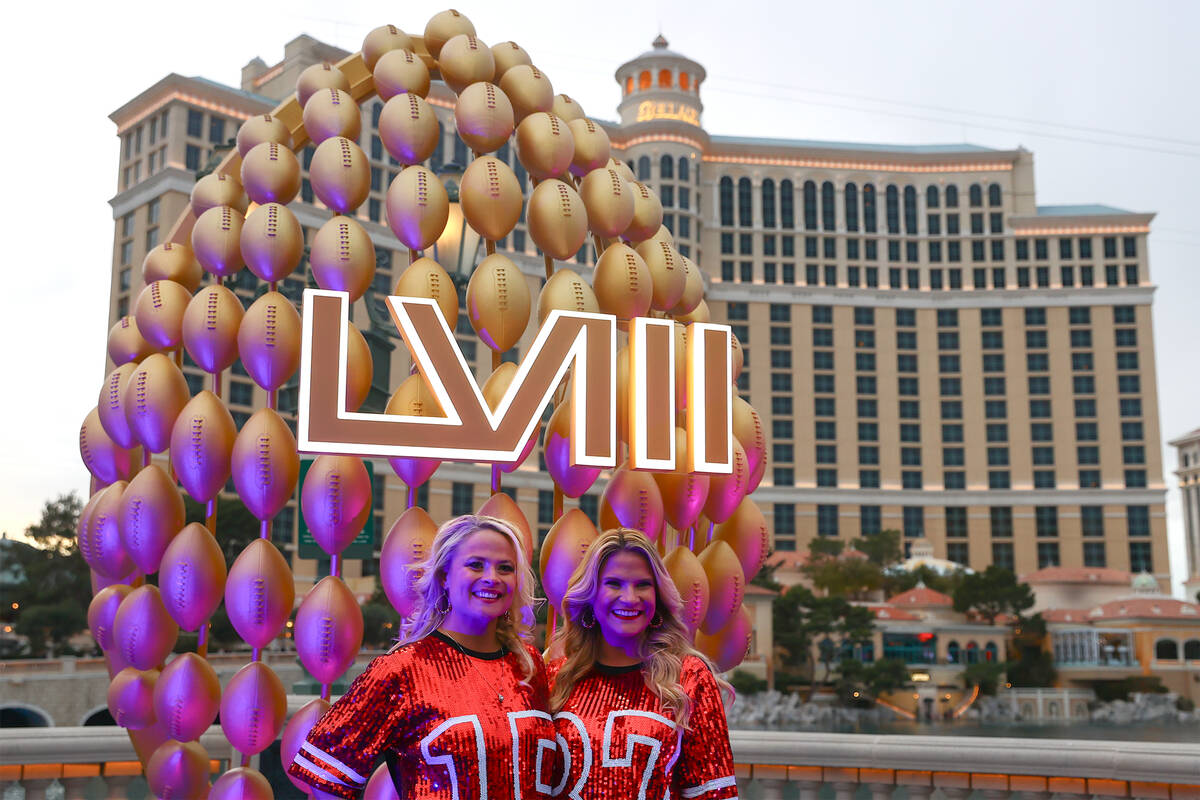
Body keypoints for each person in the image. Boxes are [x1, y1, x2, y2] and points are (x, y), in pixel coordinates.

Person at [288, 515, 556, 799]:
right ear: (444, 576)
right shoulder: (401, 669)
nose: (492, 577)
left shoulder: (528, 663)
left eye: (505, 568)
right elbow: (327, 775)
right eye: (476, 564)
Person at [547, 529, 737, 800]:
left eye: (643, 584)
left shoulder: (689, 677)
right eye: (613, 583)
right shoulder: (557, 677)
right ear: (591, 594)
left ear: (658, 595)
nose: (630, 597)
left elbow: (716, 794)